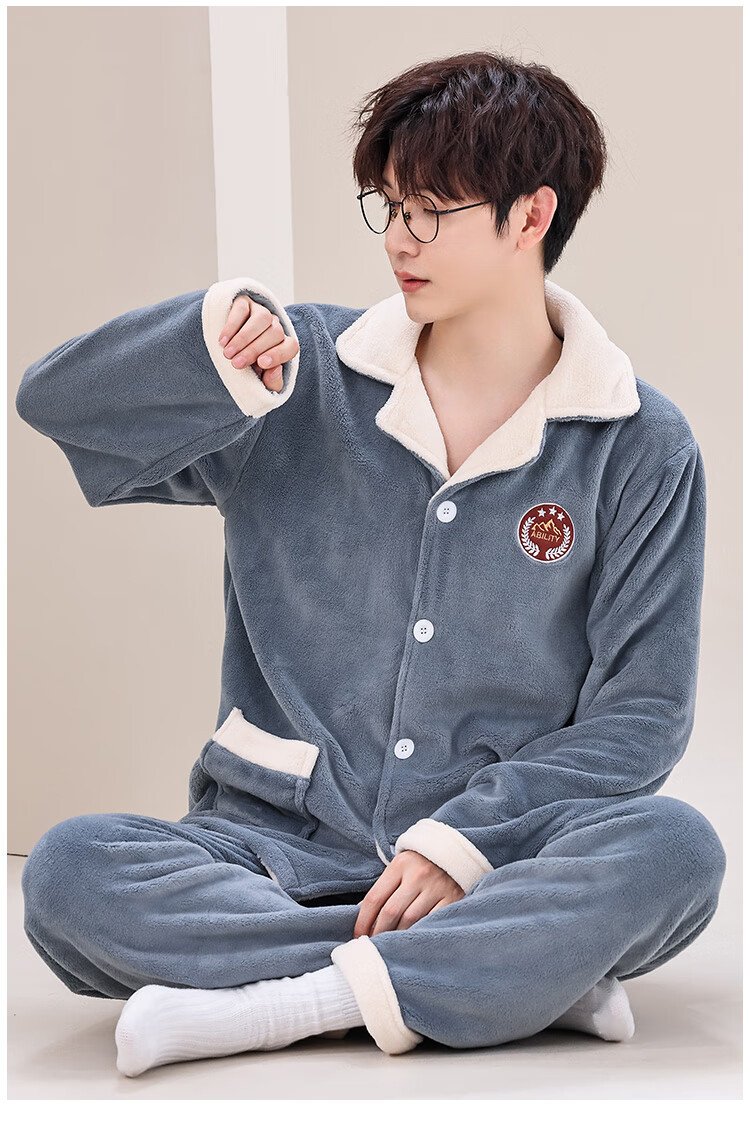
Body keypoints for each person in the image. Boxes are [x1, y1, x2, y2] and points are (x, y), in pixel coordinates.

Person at [16, 50, 726, 1078]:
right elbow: (55, 406)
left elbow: (643, 716)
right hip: (271, 849)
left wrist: (463, 842)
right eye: (389, 205)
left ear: (532, 216)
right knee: (71, 873)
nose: (399, 238)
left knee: (675, 853)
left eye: (432, 210)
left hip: (497, 864)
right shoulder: (298, 377)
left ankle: (280, 1003)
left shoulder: (640, 445)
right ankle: (510, 978)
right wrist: (202, 349)